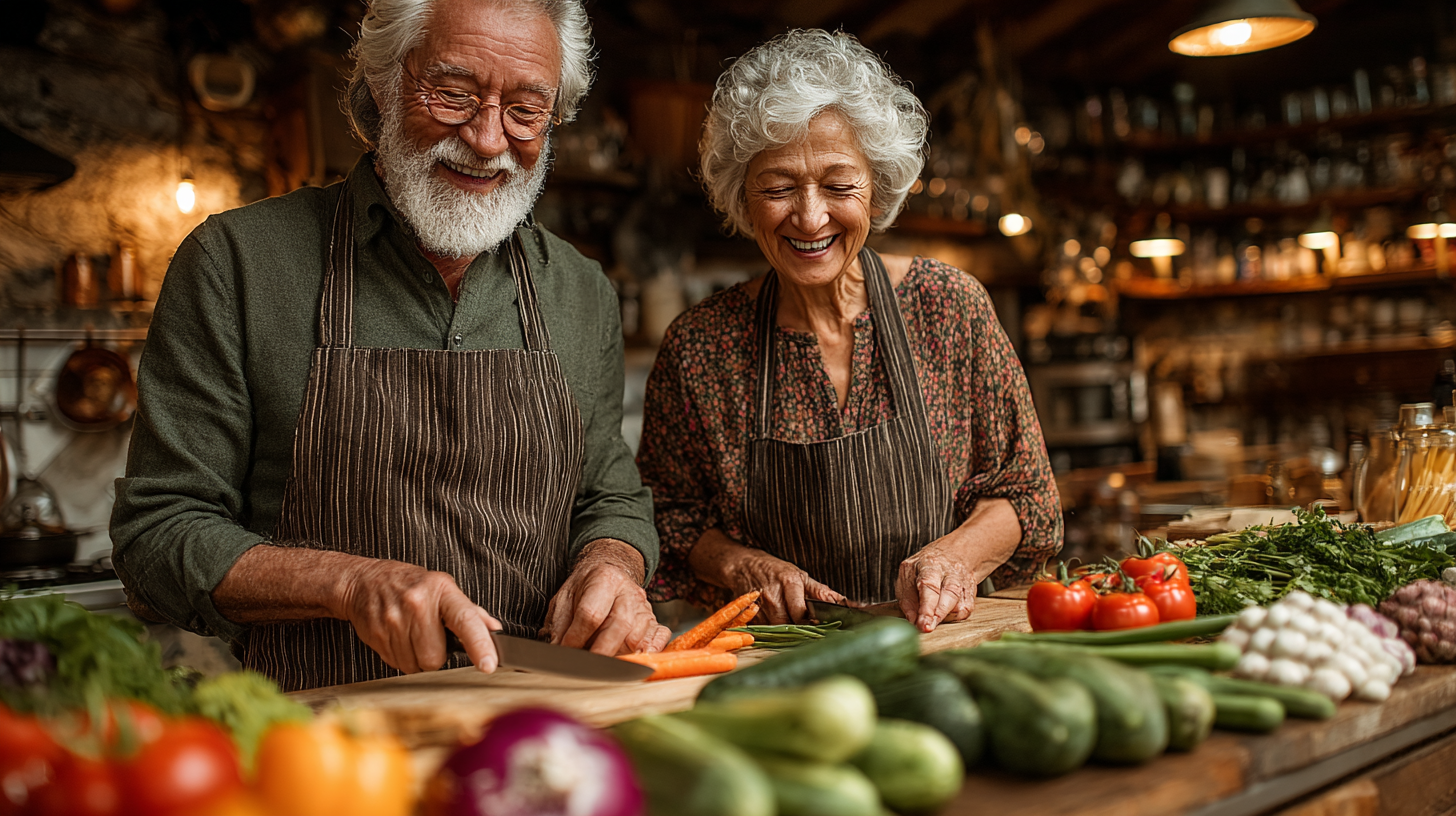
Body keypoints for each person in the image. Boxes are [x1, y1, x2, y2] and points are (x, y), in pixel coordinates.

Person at [111, 0, 667, 692]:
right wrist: (347, 583)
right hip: (319, 743)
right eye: (454, 94)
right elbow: (158, 532)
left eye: (526, 110)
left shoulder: (581, 291)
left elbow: (608, 496)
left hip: (542, 726)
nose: (490, 140)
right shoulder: (236, 264)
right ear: (381, 82)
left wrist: (611, 565)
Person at [637, 29, 1062, 633]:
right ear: (742, 195)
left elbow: (1025, 493)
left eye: (838, 186)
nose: (811, 218)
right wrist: (740, 565)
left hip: (946, 643)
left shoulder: (950, 307)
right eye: (779, 187)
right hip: (782, 660)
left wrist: (954, 558)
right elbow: (667, 516)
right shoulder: (700, 346)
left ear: (877, 184)